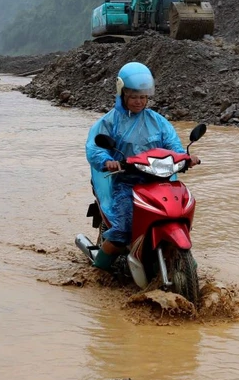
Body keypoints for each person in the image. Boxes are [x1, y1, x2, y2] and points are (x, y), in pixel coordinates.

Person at [85, 61, 200, 272]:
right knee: (122, 232)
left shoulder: (158, 121)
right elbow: (95, 148)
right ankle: (98, 270)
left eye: (143, 97)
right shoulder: (109, 122)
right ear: (123, 94)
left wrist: (186, 157)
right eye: (134, 96)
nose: (139, 102)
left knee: (178, 214)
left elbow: (173, 145)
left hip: (159, 181)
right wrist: (107, 161)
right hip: (126, 183)